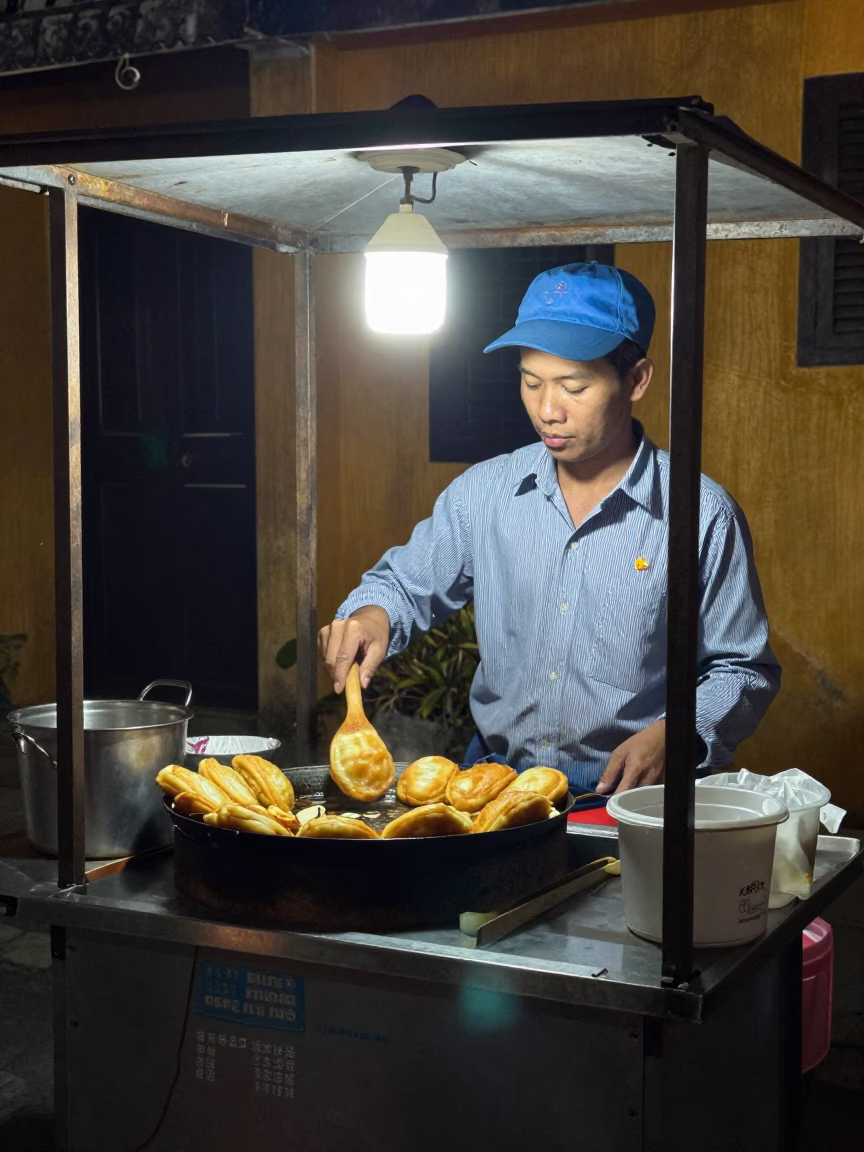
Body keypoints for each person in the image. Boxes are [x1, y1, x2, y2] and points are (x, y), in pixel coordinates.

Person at [318, 262, 780, 796]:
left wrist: (676, 734)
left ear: (637, 379)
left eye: (573, 387)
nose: (546, 410)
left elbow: (743, 669)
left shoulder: (700, 514)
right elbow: (401, 585)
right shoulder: (484, 494)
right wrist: (373, 616)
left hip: (636, 800)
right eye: (530, 381)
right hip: (496, 785)